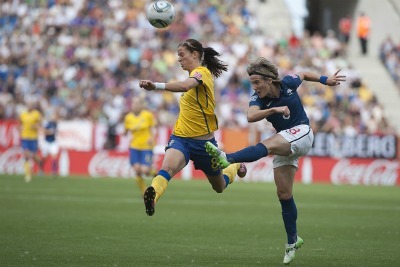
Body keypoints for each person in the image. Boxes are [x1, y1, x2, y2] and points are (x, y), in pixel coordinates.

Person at [205, 57, 346, 265]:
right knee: (284, 193)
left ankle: (228, 158)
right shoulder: (259, 99)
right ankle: (292, 241)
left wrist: (326, 80)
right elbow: (251, 117)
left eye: (257, 83)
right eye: (252, 83)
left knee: (268, 144)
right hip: (287, 141)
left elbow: (304, 74)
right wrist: (274, 110)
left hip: (303, 133)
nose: (254, 87)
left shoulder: (288, 83)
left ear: (269, 80)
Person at [139, 38, 247, 216]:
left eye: (182, 55)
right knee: (166, 169)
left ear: (195, 54)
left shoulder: (201, 72)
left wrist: (156, 86)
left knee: (219, 186)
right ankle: (152, 197)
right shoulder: (193, 75)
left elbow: (185, 86)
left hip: (205, 145)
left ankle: (234, 166)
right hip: (181, 139)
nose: (179, 59)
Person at [124, 96, 157, 195]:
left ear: (141, 105)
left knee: (145, 170)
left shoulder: (147, 115)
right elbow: (125, 131)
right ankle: (144, 193)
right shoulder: (128, 117)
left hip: (146, 147)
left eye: (138, 103)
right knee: (137, 170)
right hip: (134, 146)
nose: (136, 105)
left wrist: (152, 137)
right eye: (134, 103)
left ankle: (155, 173)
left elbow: (154, 128)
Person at [19, 100, 43, 182]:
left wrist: (35, 126)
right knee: (26, 154)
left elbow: (40, 124)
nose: (30, 107)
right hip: (25, 137)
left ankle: (40, 164)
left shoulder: (36, 114)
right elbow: (19, 124)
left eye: (31, 105)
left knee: (34, 155)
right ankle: (28, 174)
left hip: (33, 138)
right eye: (28, 105)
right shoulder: (23, 114)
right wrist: (20, 129)